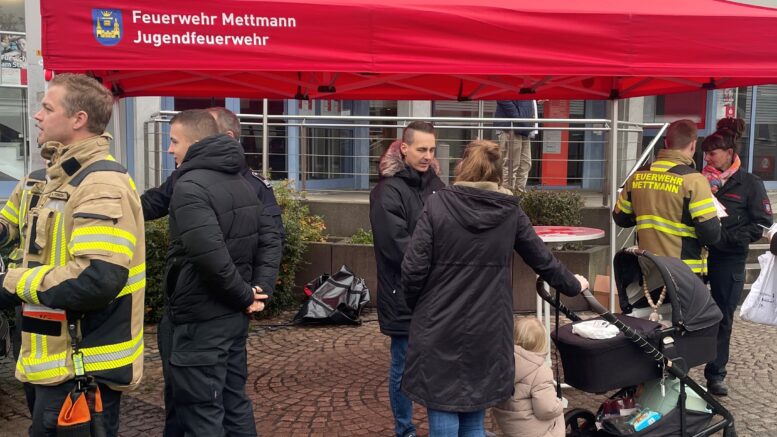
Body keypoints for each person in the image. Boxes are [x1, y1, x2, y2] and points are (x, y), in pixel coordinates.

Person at [401, 140, 587, 436]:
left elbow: (412, 268)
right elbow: (543, 259)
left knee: (442, 405)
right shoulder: (509, 211)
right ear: (498, 173)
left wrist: (420, 307)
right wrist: (574, 284)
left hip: (438, 324)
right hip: (488, 327)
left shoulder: (437, 204)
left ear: (463, 167)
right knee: (475, 415)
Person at [0, 73, 145, 436]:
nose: (37, 116)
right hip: (45, 361)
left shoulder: (102, 184)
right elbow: (8, 226)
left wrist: (10, 283)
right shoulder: (42, 179)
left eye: (47, 108)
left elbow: (96, 279)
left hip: (81, 367)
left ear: (79, 119)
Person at [141, 106, 285, 437]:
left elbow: (210, 256)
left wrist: (248, 295)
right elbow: (269, 239)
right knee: (232, 402)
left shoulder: (191, 185)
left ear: (194, 144)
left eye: (174, 141)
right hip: (229, 316)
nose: (169, 149)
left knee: (201, 411)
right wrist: (256, 293)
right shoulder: (241, 181)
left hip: (201, 319)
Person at [369, 121, 445, 437]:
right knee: (402, 365)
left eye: (432, 150)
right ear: (404, 148)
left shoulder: (436, 185)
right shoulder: (387, 190)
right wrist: (438, 268)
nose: (428, 156)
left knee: (438, 363)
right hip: (402, 293)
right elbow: (396, 246)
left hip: (436, 292)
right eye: (421, 149)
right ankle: (405, 429)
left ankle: (440, 425)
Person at [701, 118, 772, 396]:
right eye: (705, 153)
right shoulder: (699, 180)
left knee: (722, 317)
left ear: (729, 153)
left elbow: (762, 223)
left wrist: (729, 238)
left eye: (712, 153)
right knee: (689, 314)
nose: (707, 158)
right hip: (697, 256)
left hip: (729, 259)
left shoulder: (750, 183)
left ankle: (716, 373)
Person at [142, 106, 284, 242]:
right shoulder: (183, 177)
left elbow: (273, 238)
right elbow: (153, 203)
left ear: (229, 136)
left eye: (209, 130)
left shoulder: (255, 186)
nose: (199, 137)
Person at [613, 119, 721, 277]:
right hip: (685, 273)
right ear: (693, 144)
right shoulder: (694, 180)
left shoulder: (638, 175)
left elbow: (620, 218)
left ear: (666, 142)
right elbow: (711, 234)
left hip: (648, 268)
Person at [0, 169, 47, 426]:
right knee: (30, 379)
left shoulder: (93, 178)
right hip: (26, 300)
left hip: (66, 303)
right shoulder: (31, 182)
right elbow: (8, 223)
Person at [492, 317, 565, 437]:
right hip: (536, 432)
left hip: (510, 427)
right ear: (542, 343)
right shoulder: (540, 372)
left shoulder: (500, 364)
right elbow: (546, 409)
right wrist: (559, 404)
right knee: (557, 417)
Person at [495, 100, 537, 193]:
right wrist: (518, 116)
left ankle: (519, 194)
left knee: (525, 164)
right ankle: (507, 194)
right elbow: (502, 98)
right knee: (511, 164)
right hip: (511, 127)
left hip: (524, 127)